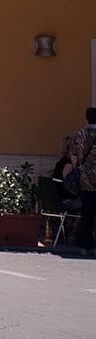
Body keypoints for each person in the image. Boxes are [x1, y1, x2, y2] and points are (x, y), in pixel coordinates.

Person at [71, 108, 96, 254]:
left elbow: (74, 156)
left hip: (86, 178)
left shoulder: (80, 134)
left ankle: (85, 245)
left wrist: (78, 168)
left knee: (87, 213)